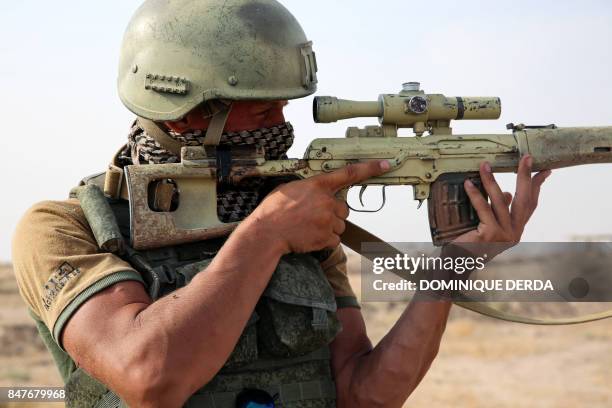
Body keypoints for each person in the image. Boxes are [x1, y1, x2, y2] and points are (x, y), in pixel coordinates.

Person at [11, 0, 551, 407]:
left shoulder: (303, 226)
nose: (281, 125)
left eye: (283, 105)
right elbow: (150, 375)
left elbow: (364, 393)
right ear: (183, 114)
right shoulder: (64, 229)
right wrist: (266, 234)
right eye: (260, 108)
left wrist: (450, 271)